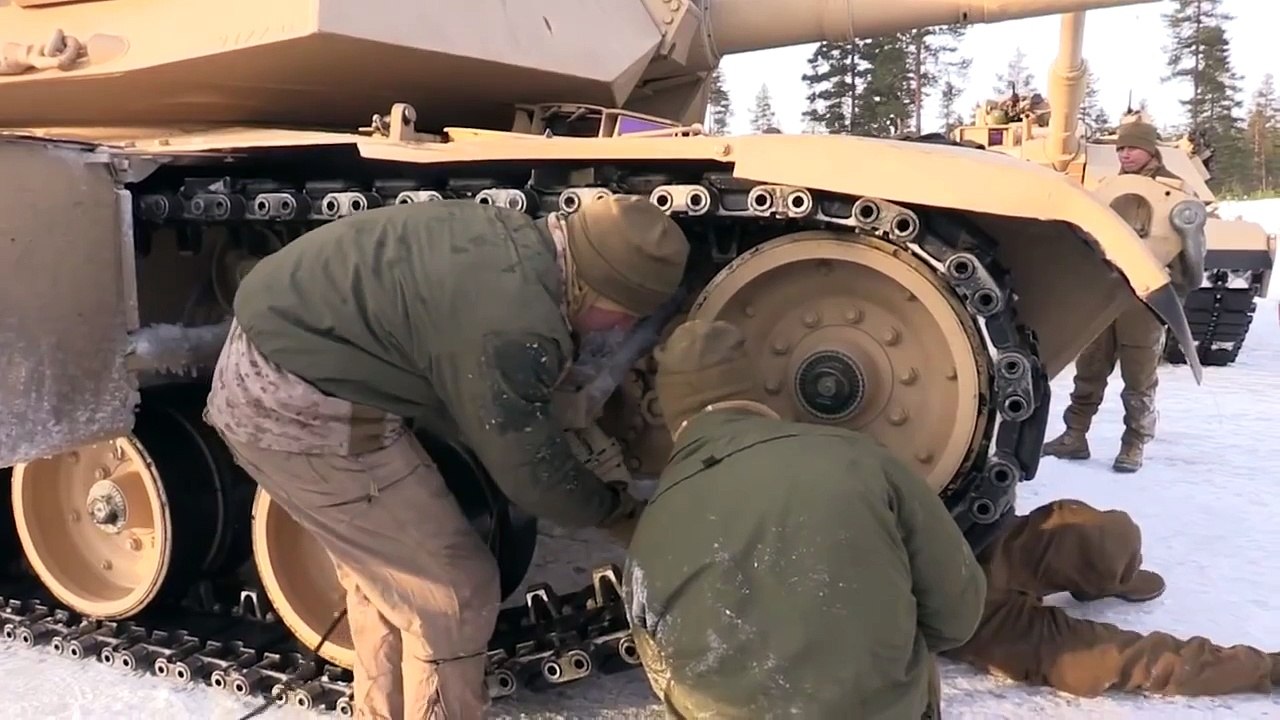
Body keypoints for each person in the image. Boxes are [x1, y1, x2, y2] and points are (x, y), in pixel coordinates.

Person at [203, 195, 689, 719]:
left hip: (287, 364)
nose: (619, 330)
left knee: (389, 581)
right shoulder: (513, 323)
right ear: (598, 286)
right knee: (454, 592)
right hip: (292, 408)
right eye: (623, 314)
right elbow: (529, 473)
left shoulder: (516, 242)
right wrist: (615, 512)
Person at [622, 319, 987, 719]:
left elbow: (662, 672)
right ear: (756, 393)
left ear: (673, 416)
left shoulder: (652, 526)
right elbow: (957, 617)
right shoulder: (860, 459)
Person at [944, 498, 1279, 697]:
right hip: (950, 592)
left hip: (965, 533)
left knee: (1100, 536)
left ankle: (1109, 575)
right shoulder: (986, 616)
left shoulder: (1031, 537)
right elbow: (1140, 659)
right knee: (1096, 656)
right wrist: (1266, 667)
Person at [1041, 120, 1202, 472]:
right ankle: (1074, 435)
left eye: (1131, 148)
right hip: (1107, 290)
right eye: (1120, 149)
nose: (1124, 153)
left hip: (1145, 297)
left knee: (1139, 379)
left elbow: (1190, 251)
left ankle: (1134, 445)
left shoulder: (1172, 191)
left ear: (1150, 150)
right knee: (1090, 370)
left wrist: (1172, 288)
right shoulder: (1110, 189)